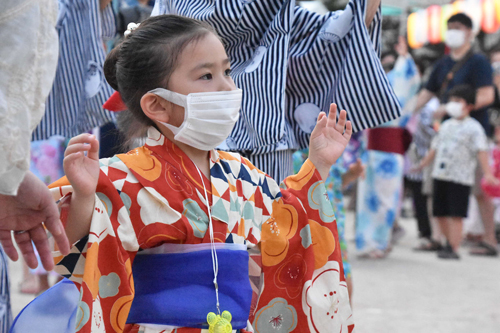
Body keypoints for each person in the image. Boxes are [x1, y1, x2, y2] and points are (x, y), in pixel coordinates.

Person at [43, 15, 354, 332]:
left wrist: (317, 165)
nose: (227, 86)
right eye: (207, 75)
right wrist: (83, 195)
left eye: (227, 71)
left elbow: (286, 217)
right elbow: (74, 248)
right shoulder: (122, 176)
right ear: (158, 105)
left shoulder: (238, 173)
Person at [152, 0, 401, 183]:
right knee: (266, 237)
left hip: (240, 134)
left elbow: (339, 29)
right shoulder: (278, 10)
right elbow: (340, 31)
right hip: (227, 132)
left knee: (268, 231)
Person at [413, 13, 498, 257]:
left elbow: (487, 95)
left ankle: (490, 239)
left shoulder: (479, 62)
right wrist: (404, 111)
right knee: (437, 186)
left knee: (481, 189)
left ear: (470, 32)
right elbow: (426, 93)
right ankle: (439, 239)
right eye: (449, 28)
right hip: (446, 135)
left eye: (458, 27)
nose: (453, 32)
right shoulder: (442, 63)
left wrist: (458, 107)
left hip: (474, 134)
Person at [416, 85, 499, 259]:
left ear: (469, 105)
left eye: (457, 101)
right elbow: (435, 147)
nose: (452, 105)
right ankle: (448, 242)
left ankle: (453, 247)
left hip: (460, 177)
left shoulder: (474, 127)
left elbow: (481, 151)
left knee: (456, 214)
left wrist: (488, 174)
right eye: (451, 101)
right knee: (439, 212)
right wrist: (423, 163)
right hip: (440, 174)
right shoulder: (446, 125)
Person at [293, 150, 364, 302]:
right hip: (299, 228)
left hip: (333, 226)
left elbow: (336, 183)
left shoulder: (332, 145)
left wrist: (351, 175)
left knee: (341, 278)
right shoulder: (291, 151)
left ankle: (344, 325)